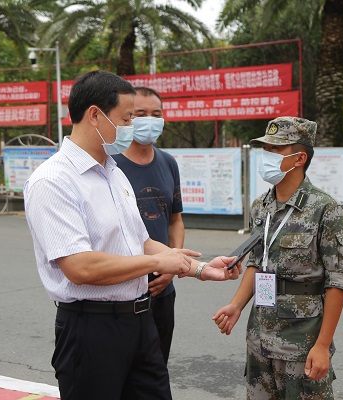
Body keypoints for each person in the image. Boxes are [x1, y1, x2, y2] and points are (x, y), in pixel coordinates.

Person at [23, 70, 242, 400]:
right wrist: (156, 261)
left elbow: (140, 240)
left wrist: (201, 269)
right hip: (91, 330)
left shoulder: (114, 173)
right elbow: (80, 268)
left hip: (140, 323)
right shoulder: (53, 181)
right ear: (95, 115)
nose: (133, 128)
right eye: (127, 118)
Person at [212, 116, 343, 400]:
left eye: (276, 150)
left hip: (302, 343)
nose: (267, 156)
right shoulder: (261, 206)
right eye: (266, 149)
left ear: (299, 157)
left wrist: (323, 345)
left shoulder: (327, 210)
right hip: (260, 339)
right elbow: (256, 261)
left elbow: (337, 281)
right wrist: (237, 305)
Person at [113, 87, 182, 365]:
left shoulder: (168, 162)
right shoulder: (110, 164)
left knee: (157, 367)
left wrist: (173, 266)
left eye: (156, 114)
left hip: (162, 288)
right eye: (140, 114)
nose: (149, 120)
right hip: (124, 286)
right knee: (123, 370)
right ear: (128, 118)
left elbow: (176, 219)